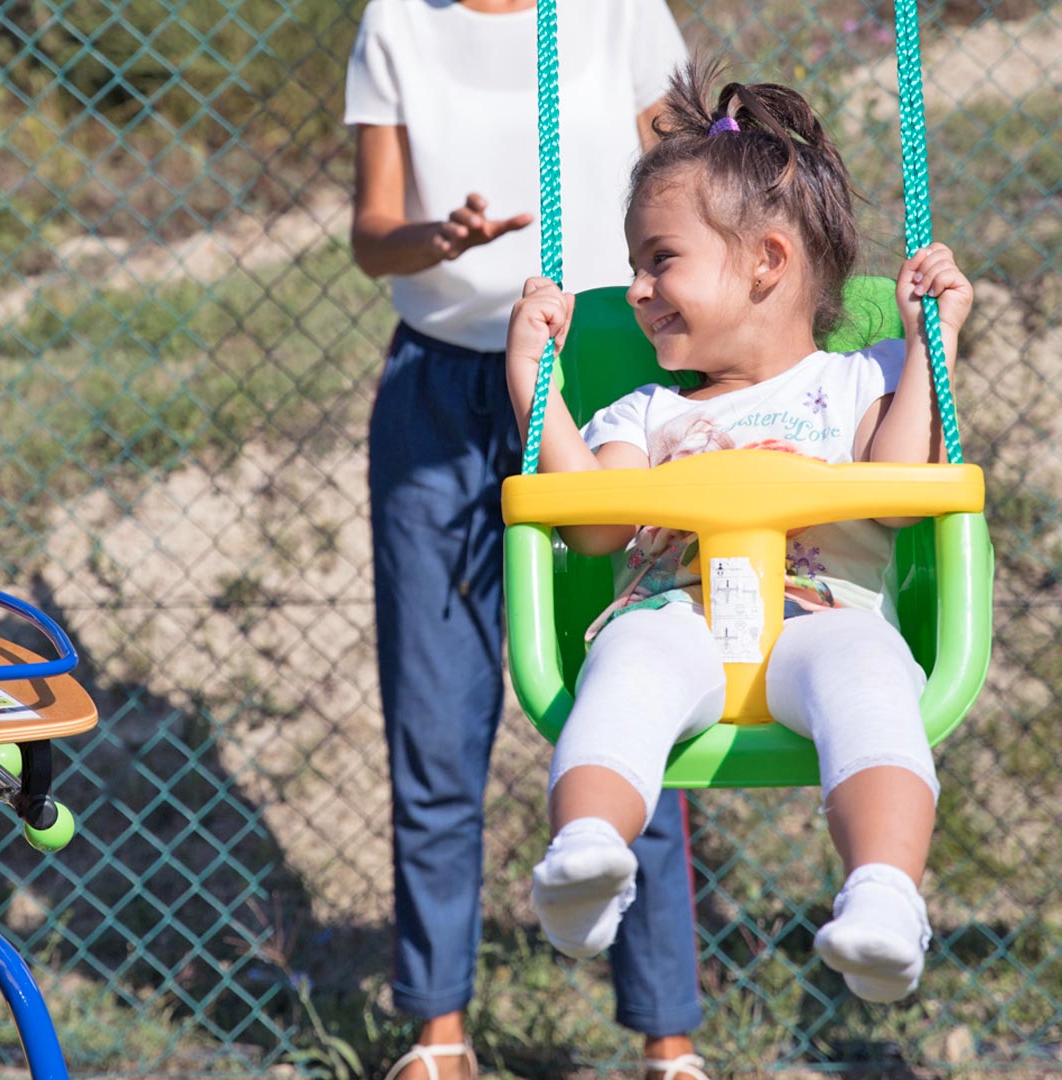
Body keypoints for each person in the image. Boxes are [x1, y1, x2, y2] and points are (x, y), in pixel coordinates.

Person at [504, 63, 970, 1008]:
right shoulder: (639, 412)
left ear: (765, 261)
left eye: (659, 259)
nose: (636, 290)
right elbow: (595, 531)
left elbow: (898, 498)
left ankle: (884, 894)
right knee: (622, 668)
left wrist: (931, 347)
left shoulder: (861, 380)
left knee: (875, 682)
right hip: (676, 618)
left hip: (824, 618)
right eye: (633, 265)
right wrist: (535, 387)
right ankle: (587, 855)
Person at [345, 2, 707, 1077]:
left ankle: (667, 1036)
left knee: (637, 683)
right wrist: (437, 238)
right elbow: (373, 235)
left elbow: (696, 182)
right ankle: (438, 1031)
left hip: (603, 381)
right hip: (442, 388)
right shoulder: (395, 21)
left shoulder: (620, 10)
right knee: (435, 712)